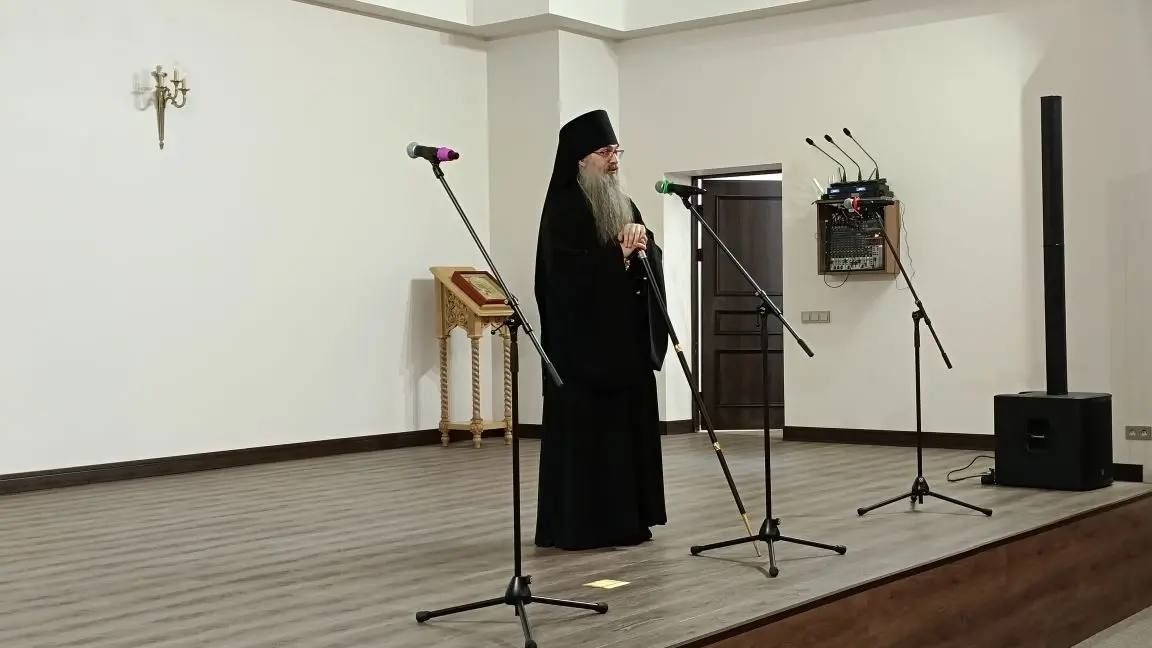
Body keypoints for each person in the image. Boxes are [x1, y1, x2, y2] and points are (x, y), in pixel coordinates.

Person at [532, 109, 669, 550]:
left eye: (616, 151)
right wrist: (617, 258)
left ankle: (629, 521)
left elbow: (648, 257)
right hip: (582, 356)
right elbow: (562, 281)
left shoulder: (624, 204)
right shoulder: (563, 210)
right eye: (605, 151)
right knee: (589, 442)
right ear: (580, 158)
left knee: (627, 436)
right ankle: (584, 526)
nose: (614, 160)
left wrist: (643, 247)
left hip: (624, 350)